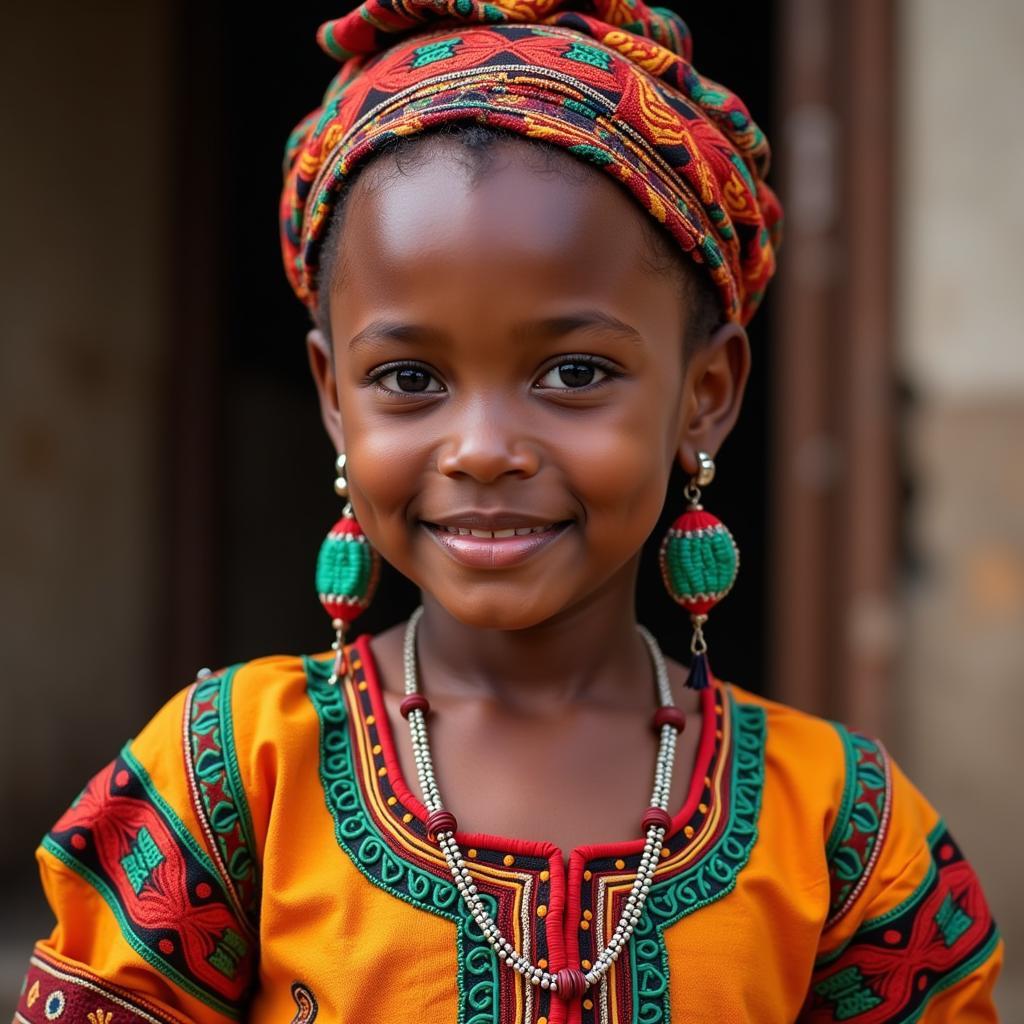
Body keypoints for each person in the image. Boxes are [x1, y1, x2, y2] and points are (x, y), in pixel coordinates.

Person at [13, 1, 1003, 1022]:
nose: (482, 448)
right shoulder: (229, 785)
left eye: (573, 371)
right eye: (407, 376)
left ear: (705, 392)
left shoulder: (845, 834)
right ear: (331, 395)